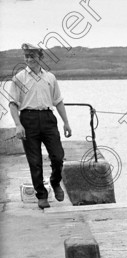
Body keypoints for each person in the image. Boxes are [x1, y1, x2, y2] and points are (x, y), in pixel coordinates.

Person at [9, 43, 72, 210]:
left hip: (48, 118)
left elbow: (58, 101)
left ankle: (55, 182)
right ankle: (41, 195)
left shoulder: (50, 78)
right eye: (26, 56)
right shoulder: (19, 78)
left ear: (40, 57)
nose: (29, 59)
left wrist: (66, 122)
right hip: (28, 119)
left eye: (33, 56)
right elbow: (13, 104)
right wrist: (18, 125)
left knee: (58, 157)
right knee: (35, 161)